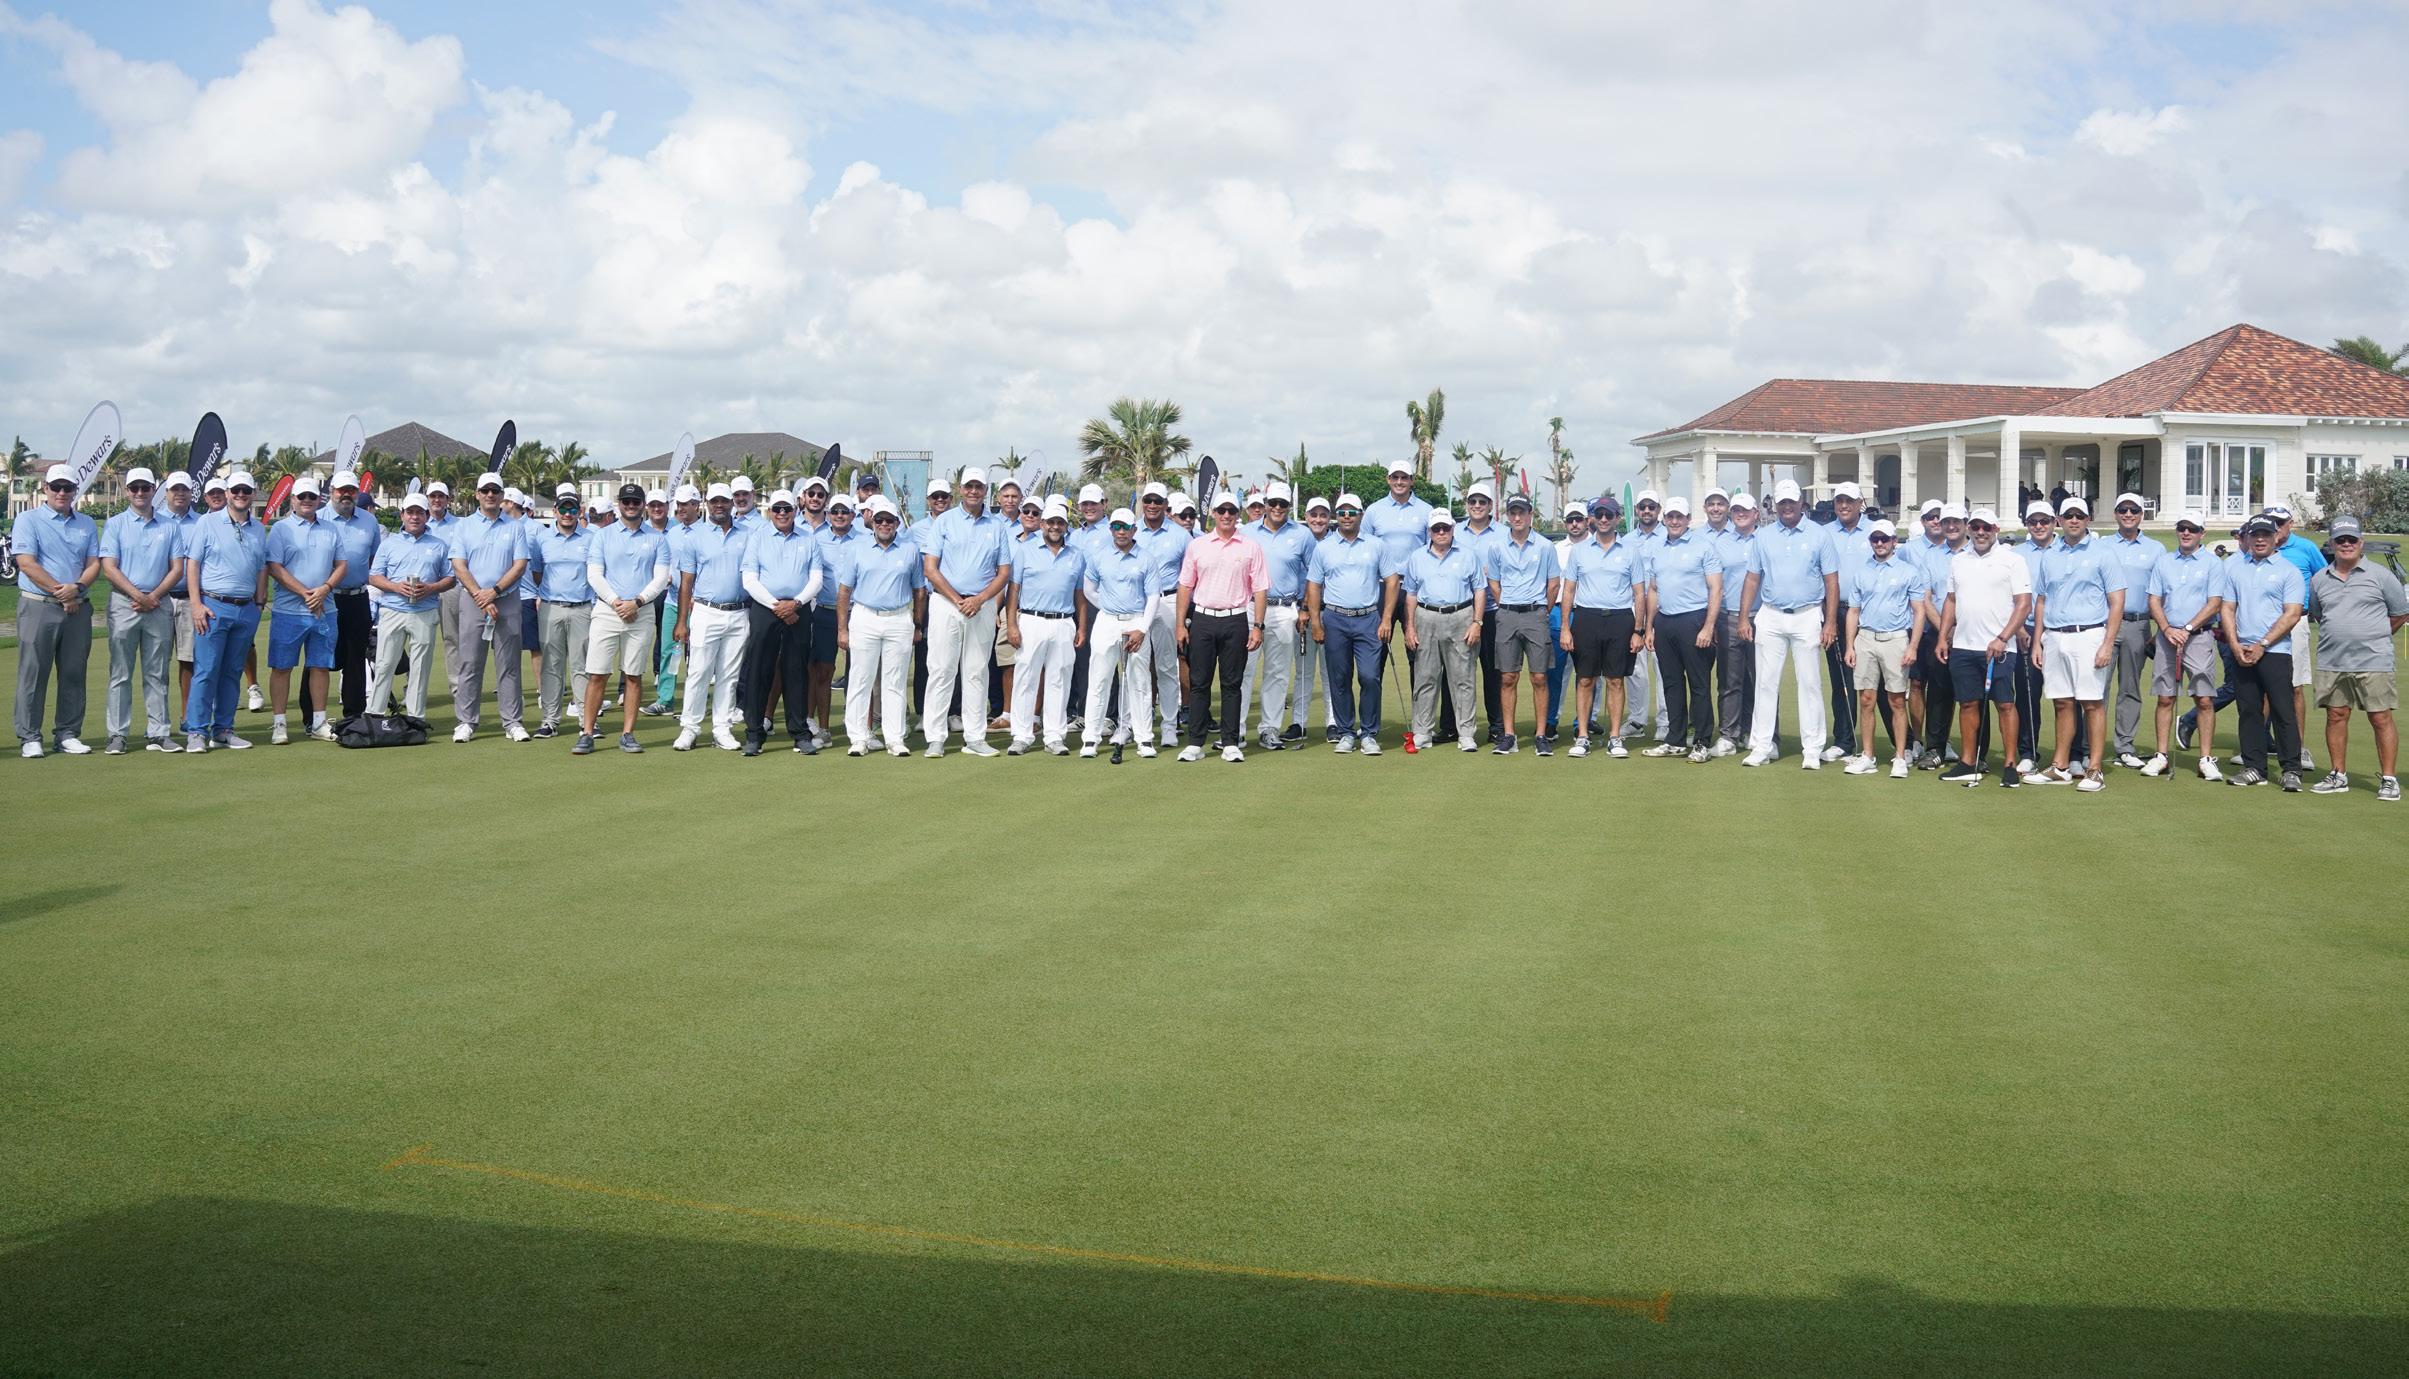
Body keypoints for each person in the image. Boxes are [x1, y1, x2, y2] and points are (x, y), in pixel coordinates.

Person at [1737, 480, 1838, 768]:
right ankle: (1761, 746)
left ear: (1801, 503)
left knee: (1810, 683)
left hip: (1807, 614)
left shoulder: (1819, 535)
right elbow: (1752, 578)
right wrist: (1744, 617)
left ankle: (1812, 749)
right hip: (1771, 613)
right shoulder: (1764, 536)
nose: (1787, 507)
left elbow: (1831, 581)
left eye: (1791, 501)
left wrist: (1830, 623)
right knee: (1765, 683)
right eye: (1782, 502)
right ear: (1775, 506)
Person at [2305, 515, 2405, 800]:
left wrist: (2374, 635)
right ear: (2332, 544)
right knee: (2336, 715)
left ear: (2361, 542)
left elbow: (2399, 613)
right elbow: (2319, 614)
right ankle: (2338, 775)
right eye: (2341, 540)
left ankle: (2389, 779)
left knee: (2380, 717)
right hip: (2332, 660)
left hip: (2374, 660)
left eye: (2351, 539)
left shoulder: (2381, 576)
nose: (2346, 544)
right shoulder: (2319, 579)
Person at [2030, 495, 2126, 790]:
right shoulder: (2050, 555)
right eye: (2068, 515)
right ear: (2059, 520)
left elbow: (2117, 601)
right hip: (2055, 636)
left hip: (2089, 634)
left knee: (2092, 703)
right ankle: (2060, 766)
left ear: (2088, 520)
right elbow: (2042, 600)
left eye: (2079, 516)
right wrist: (2037, 642)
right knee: (2062, 702)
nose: (2073, 520)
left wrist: (2107, 643)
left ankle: (2094, 769)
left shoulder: (2103, 553)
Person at [1934, 507, 2030, 786]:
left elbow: (2023, 604)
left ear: (1996, 530)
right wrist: (1943, 637)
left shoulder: (2012, 560)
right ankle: (1967, 762)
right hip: (1964, 645)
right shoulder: (1958, 561)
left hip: (2000, 647)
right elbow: (1951, 600)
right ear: (1969, 529)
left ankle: (2010, 764)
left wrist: (2002, 638)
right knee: (1967, 704)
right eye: (1975, 527)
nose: (1980, 532)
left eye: (1986, 527)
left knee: (2005, 704)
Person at [920, 466, 1012, 757]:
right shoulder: (944, 521)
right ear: (960, 489)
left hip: (981, 606)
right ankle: (936, 738)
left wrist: (980, 599)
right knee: (941, 669)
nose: (973, 491)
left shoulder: (997, 526)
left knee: (976, 671)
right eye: (969, 486)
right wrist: (958, 599)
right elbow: (930, 568)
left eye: (979, 487)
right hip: (946, 604)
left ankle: (974, 738)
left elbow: (1003, 572)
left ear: (986, 490)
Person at [577, 483, 674, 755]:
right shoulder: (603, 536)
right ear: (619, 504)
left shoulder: (657, 539)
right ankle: (587, 732)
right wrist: (616, 602)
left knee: (633, 675)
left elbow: (660, 578)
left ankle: (628, 733)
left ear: (643, 505)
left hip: (640, 612)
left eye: (635, 502)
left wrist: (637, 602)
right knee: (597, 674)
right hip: (608, 611)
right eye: (626, 501)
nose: (631, 506)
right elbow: (595, 574)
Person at [14, 462, 103, 757]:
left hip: (77, 607)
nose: (61, 493)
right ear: (46, 489)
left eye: (67, 488)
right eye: (56, 487)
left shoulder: (86, 523)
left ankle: (67, 733)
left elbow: (94, 563)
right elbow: (27, 563)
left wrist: (77, 588)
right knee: (33, 673)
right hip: (39, 605)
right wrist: (62, 592)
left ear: (75, 490)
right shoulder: (28, 519)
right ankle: (30, 736)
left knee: (74, 672)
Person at [1174, 490, 1268, 762]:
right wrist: (1180, 625)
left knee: (1232, 683)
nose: (1227, 515)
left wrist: (1258, 626)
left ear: (1238, 514)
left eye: (1232, 511)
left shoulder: (1250, 546)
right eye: (1222, 510)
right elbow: (1185, 586)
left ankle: (1230, 742)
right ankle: (1195, 743)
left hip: (1235, 619)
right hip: (1202, 619)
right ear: (1213, 513)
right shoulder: (1198, 545)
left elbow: (1260, 588)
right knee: (1199, 683)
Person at [180, 468, 269, 752]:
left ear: (252, 495)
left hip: (246, 609)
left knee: (231, 672)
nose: (241, 495)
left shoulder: (258, 529)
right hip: (213, 606)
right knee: (206, 671)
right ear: (228, 493)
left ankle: (223, 730)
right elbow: (193, 564)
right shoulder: (207, 522)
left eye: (246, 491)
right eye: (236, 490)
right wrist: (196, 604)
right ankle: (196, 731)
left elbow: (261, 567)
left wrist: (259, 603)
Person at [97, 465, 183, 754]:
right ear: (127, 491)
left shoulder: (169, 526)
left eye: (145, 487)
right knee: (120, 672)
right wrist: (138, 596)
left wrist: (153, 596)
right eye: (134, 488)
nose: (140, 492)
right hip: (124, 603)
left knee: (157, 672)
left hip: (158, 604)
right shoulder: (115, 524)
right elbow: (109, 568)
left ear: (153, 490)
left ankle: (159, 733)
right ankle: (117, 734)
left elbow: (177, 568)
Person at [2137, 511, 2225, 781]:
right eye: (2182, 528)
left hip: (2198, 637)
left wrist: (2186, 629)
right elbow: (2154, 599)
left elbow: (2214, 603)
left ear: (2202, 534)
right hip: (2167, 637)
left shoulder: (2213, 563)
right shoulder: (2164, 562)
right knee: (2165, 698)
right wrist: (2166, 629)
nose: (2186, 533)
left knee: (2204, 699)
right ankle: (2161, 755)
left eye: (2192, 529)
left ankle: (2205, 759)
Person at [445, 471, 533, 743]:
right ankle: (466, 721)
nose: (490, 495)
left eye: (495, 491)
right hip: (473, 600)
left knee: (509, 663)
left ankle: (512, 722)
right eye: (486, 491)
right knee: (470, 662)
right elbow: (459, 565)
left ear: (502, 495)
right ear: (477, 495)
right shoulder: (464, 526)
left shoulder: (515, 527)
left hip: (507, 599)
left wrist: (493, 592)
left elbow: (519, 565)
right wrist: (480, 596)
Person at [2221, 516, 2307, 790]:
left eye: (2265, 534)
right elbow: (2227, 608)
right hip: (2242, 650)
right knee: (2249, 711)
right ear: (2247, 537)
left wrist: (2263, 644)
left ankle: (2291, 769)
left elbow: (2292, 613)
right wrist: (2234, 644)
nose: (2260, 539)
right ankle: (2254, 767)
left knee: (2283, 710)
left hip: (2275, 651)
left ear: (2275, 538)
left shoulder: (2288, 571)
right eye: (2255, 534)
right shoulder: (2236, 569)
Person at [262, 476, 349, 745]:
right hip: (289, 611)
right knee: (282, 667)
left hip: (325, 609)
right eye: (302, 496)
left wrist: (325, 589)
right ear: (293, 500)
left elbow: (341, 565)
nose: (307, 501)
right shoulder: (281, 529)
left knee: (320, 666)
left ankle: (319, 722)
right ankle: (279, 724)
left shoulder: (331, 529)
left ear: (319, 499)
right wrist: (305, 592)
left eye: (312, 496)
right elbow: (274, 567)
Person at [1840, 518, 1929, 778]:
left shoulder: (1908, 572)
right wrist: (1850, 646)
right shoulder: (1862, 572)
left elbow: (1919, 611)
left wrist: (1913, 646)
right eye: (1875, 539)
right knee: (1866, 699)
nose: (1879, 543)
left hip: (1896, 639)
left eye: (1884, 539)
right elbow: (1853, 611)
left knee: (1896, 700)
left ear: (1893, 541)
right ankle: (1867, 756)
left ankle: (1900, 756)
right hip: (1866, 638)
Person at [1306, 492, 1394, 753]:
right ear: (1337, 516)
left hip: (1368, 618)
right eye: (1342, 512)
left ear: (1361, 515)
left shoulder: (1376, 545)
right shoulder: (1324, 547)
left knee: (1370, 676)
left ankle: (1368, 733)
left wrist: (1386, 618)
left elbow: (1392, 581)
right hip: (1335, 619)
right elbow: (1314, 585)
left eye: (1351, 512)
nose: (1346, 517)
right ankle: (1346, 732)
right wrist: (1316, 622)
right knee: (1340, 678)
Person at [838, 495, 926, 757]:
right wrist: (842, 629)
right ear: (872, 522)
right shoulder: (857, 548)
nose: (884, 524)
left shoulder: (910, 549)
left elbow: (919, 591)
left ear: (897, 523)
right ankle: (858, 737)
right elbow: (844, 591)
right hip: (865, 616)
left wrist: (917, 624)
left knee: (895, 682)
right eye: (880, 520)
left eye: (889, 520)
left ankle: (895, 738)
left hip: (899, 618)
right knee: (860, 679)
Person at [739, 488, 823, 756]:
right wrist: (777, 606)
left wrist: (796, 603)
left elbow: (816, 579)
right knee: (759, 671)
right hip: (766, 608)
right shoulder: (758, 538)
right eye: (777, 509)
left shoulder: (808, 538)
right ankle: (754, 734)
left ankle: (799, 733)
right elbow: (749, 579)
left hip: (798, 608)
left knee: (796, 671)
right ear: (770, 512)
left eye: (787, 509)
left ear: (795, 510)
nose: (782, 513)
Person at [1640, 494, 1724, 761]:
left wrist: (1708, 627)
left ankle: (1701, 742)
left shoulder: (1703, 546)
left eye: (1679, 517)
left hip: (1694, 620)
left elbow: (1716, 589)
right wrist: (1649, 627)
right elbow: (1653, 590)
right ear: (1664, 518)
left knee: (1699, 684)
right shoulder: (1657, 548)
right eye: (1670, 516)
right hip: (1665, 621)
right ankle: (1675, 739)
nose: (1674, 521)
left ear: (1688, 519)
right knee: (1672, 683)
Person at [672, 482, 754, 751]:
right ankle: (690, 728)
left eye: (724, 501)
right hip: (706, 611)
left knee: (729, 675)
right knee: (698, 672)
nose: (720, 505)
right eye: (715, 501)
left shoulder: (748, 534)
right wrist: (682, 622)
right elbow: (686, 582)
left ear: (732, 503)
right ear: (707, 504)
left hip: (739, 612)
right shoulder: (695, 536)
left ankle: (722, 728)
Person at [1557, 495, 1637, 760]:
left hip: (1620, 619)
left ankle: (1615, 737)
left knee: (1615, 679)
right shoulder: (1579, 551)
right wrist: (1566, 627)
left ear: (1617, 518)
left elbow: (1639, 592)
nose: (1604, 519)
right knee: (1585, 679)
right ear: (1592, 518)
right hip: (1587, 618)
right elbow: (1569, 590)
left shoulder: (1630, 551)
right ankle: (1582, 736)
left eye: (1609, 515)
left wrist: (1639, 630)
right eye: (1599, 514)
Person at [1006, 497, 1088, 756]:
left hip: (1063, 622)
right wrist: (1012, 624)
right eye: (1050, 522)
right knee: (1025, 679)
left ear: (1066, 526)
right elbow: (1013, 590)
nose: (1055, 527)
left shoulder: (1076, 555)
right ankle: (1021, 735)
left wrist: (1082, 627)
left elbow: (1080, 595)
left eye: (1060, 523)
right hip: (1031, 620)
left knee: (1059, 680)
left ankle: (1054, 736)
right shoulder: (1025, 550)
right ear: (1042, 524)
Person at [1237, 481, 1314, 751]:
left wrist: (1305, 608)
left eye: (1283, 504)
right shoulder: (1246, 533)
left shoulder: (1302, 535)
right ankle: (1236, 730)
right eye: (1273, 503)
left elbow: (1312, 574)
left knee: (1277, 673)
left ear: (1289, 506)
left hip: (1284, 608)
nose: (1278, 508)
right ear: (1265, 504)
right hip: (1249, 608)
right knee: (1243, 670)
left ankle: (1269, 728)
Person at [364, 492, 456, 720]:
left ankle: (415, 718)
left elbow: (450, 578)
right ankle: (375, 715)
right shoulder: (389, 544)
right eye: (410, 512)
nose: (414, 517)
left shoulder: (439, 545)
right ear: (402, 515)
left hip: (424, 612)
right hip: (392, 610)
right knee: (384, 664)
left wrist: (431, 588)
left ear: (427, 516)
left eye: (419, 513)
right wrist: (396, 587)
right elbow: (374, 576)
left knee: (420, 667)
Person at [1080, 508, 1159, 763]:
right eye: (1116, 527)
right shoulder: (1100, 556)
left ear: (1134, 529)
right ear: (1111, 529)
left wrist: (1142, 629)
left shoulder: (1146, 558)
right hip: (1107, 621)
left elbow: (1153, 597)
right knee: (1099, 679)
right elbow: (1089, 589)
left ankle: (1144, 738)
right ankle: (1091, 738)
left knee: (1139, 681)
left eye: (1125, 527)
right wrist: (1107, 607)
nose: (1121, 531)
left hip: (1136, 621)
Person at [1403, 506, 1484, 753]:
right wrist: (1409, 627)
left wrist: (1477, 622)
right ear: (1429, 531)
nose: (1441, 532)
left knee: (1463, 679)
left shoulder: (1468, 555)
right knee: (1425, 677)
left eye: (1445, 528)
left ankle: (1466, 734)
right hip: (1426, 616)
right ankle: (1422, 732)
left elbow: (1479, 590)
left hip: (1461, 616)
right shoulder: (1417, 557)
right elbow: (1411, 594)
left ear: (1452, 528)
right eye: (1436, 528)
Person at [1488, 492, 1561, 755]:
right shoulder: (1497, 547)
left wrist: (1541, 611)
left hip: (1535, 614)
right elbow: (1494, 583)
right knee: (1508, 677)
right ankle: (1509, 735)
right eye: (1513, 512)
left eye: (1522, 512)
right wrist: (1507, 605)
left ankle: (1541, 735)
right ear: (1508, 515)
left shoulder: (1545, 546)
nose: (1517, 517)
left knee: (1539, 677)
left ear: (1530, 515)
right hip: (1507, 614)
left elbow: (1554, 584)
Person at [309, 469, 381, 725]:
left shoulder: (369, 521)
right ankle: (311, 717)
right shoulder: (318, 517)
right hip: (325, 598)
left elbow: (374, 560)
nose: (347, 495)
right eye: (342, 490)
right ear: (332, 492)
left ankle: (353, 716)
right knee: (318, 658)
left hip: (358, 597)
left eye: (351, 490)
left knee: (355, 658)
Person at [2101, 493, 2167, 767]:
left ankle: (2125, 747)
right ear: (2116, 513)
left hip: (2138, 624)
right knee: (2098, 688)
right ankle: (2088, 747)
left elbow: (2162, 591)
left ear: (2141, 514)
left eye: (2134, 510)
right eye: (2123, 510)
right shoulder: (2102, 545)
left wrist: (2160, 629)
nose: (2128, 514)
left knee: (2130, 688)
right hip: (2105, 624)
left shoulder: (2156, 549)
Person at [2264, 503, 2330, 772]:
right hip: (2263, 622)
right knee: (2262, 687)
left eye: (2280, 522)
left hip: (2296, 620)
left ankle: (2298, 749)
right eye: (2270, 522)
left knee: (2295, 686)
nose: (2275, 527)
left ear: (2290, 523)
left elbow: (2324, 579)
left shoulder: (2305, 548)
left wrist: (2320, 612)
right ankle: (2256, 746)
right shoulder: (2258, 546)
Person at [528, 484, 595, 738]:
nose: (568, 513)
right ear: (554, 511)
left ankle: (586, 721)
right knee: (551, 667)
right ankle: (550, 721)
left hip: (582, 608)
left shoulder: (591, 538)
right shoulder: (542, 539)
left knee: (582, 666)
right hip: (551, 608)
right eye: (564, 509)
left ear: (580, 511)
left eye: (573, 509)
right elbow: (537, 573)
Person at [1817, 482, 1875, 762]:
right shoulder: (1825, 533)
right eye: (1839, 500)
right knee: (1841, 680)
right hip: (1836, 613)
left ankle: (1903, 743)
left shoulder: (1875, 531)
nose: (1844, 505)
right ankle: (1843, 740)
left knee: (1878, 683)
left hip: (1871, 613)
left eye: (1849, 500)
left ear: (1860, 502)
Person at [1133, 481, 1193, 749]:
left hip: (1169, 600)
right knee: (1138, 668)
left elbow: (1189, 577)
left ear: (1166, 505)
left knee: (1167, 667)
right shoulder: (1132, 530)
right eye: (1148, 500)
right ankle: (1139, 726)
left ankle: (1169, 725)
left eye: (1158, 501)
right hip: (1137, 603)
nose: (1152, 505)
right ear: (1143, 502)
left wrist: (1184, 614)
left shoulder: (1181, 535)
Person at [1705, 491, 1757, 754]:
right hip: (1728, 617)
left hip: (1762, 617)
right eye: (1736, 510)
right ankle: (1729, 735)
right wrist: (1712, 621)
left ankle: (1755, 732)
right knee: (1729, 680)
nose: (1740, 514)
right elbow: (1713, 585)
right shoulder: (1721, 543)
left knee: (1760, 680)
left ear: (1756, 513)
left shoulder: (1766, 540)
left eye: (1745, 510)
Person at [808, 490, 859, 746]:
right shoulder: (816, 539)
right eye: (835, 511)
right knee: (823, 672)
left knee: (860, 673)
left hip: (857, 613)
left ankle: (861, 729)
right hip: (825, 612)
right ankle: (824, 729)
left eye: (844, 512)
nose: (839, 515)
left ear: (853, 515)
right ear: (828, 514)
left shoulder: (864, 540)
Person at [1620, 490, 1669, 740]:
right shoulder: (1626, 540)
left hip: (1664, 607)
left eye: (1652, 506)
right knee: (1636, 669)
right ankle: (1637, 720)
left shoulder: (1670, 536)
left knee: (1664, 667)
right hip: (1634, 608)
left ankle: (1665, 722)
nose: (1647, 511)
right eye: (1643, 507)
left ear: (1658, 509)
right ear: (1637, 510)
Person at [1542, 500, 1589, 742]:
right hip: (1559, 611)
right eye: (1570, 520)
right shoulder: (1556, 549)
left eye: (1578, 519)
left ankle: (1584, 723)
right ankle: (1550, 721)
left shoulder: (1596, 546)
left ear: (1587, 521)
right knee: (1554, 671)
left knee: (1588, 673)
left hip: (1588, 612)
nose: (1574, 524)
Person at [159, 471, 202, 722]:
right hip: (160, 600)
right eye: (175, 489)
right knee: (158, 661)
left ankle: (188, 717)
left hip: (190, 599)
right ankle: (160, 721)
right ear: (166, 493)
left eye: (184, 489)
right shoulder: (155, 520)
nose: (180, 494)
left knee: (189, 661)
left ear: (191, 493)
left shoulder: (202, 523)